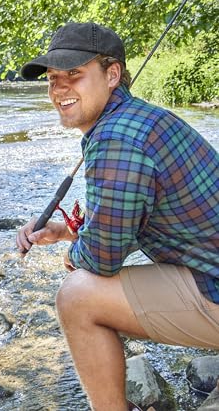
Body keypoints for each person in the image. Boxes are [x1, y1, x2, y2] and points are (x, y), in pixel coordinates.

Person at [16, 22, 219, 411]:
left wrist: (76, 255)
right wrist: (65, 232)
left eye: (74, 74)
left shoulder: (116, 139)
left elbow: (101, 259)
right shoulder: (139, 119)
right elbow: (123, 222)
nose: (59, 89)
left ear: (112, 75)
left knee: (77, 297)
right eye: (53, 78)